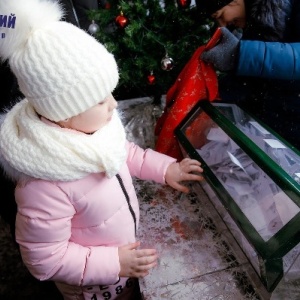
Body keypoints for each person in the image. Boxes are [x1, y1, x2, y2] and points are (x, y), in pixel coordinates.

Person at [0, 0, 203, 299]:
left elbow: (125, 154)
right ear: (64, 112)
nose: (113, 104)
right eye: (99, 99)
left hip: (124, 265)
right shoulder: (43, 185)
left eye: (110, 92)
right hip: (94, 286)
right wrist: (115, 263)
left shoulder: (96, 130)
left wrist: (166, 169)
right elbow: (45, 260)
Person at [196, 0, 300, 151]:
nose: (222, 24)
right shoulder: (251, 21)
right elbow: (252, 81)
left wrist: (240, 54)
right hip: (277, 122)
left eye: (221, 15)